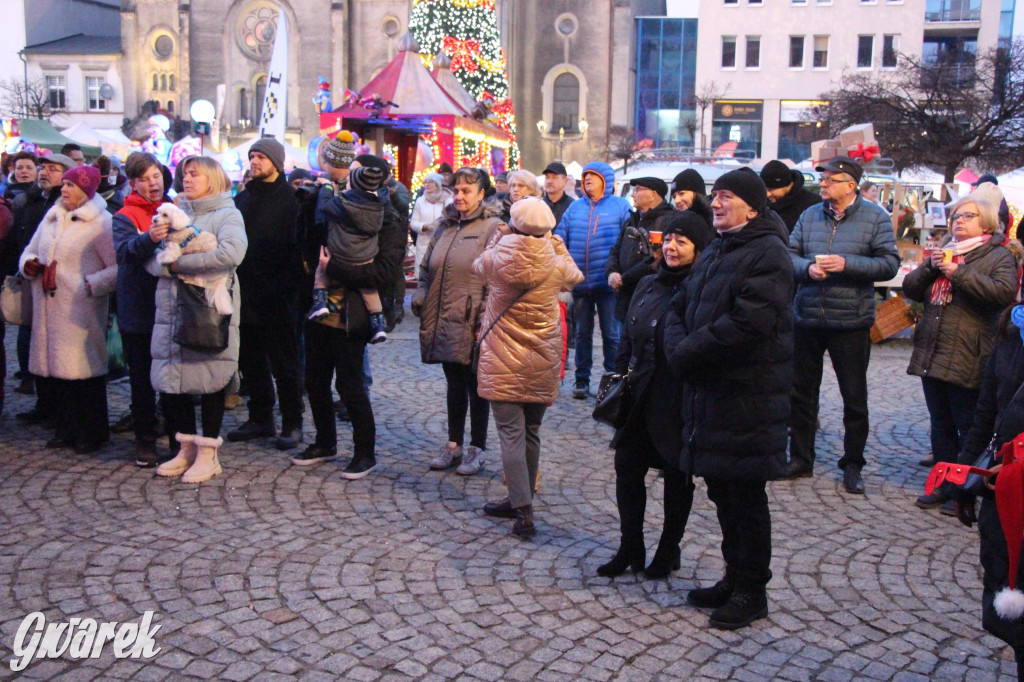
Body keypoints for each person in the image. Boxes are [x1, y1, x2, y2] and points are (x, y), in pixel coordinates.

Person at [665, 167, 794, 630]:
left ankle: (751, 590)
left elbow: (748, 324)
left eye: (726, 197)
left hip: (747, 397)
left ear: (753, 207)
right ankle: (732, 575)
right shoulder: (721, 246)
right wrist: (679, 345)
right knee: (722, 490)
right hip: (711, 394)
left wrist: (688, 352)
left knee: (744, 496)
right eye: (714, 196)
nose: (715, 203)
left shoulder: (769, 253)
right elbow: (681, 303)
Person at [598, 211, 711, 579]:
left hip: (675, 395)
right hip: (639, 391)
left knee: (676, 476)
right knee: (626, 468)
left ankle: (669, 548)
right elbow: (626, 336)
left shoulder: (700, 288)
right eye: (670, 240)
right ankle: (631, 544)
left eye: (683, 241)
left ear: (699, 247)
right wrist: (618, 375)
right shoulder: (648, 282)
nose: (673, 247)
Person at [786, 156, 899, 494]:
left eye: (829, 180)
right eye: (822, 179)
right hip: (807, 316)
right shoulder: (809, 216)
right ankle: (800, 459)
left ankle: (853, 464)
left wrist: (846, 264)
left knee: (854, 397)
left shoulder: (875, 217)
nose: (822, 184)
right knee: (802, 394)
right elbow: (788, 255)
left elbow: (889, 264)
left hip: (850, 320)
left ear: (850, 184)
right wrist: (807, 268)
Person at [903, 192, 1018, 511]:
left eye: (967, 216)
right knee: (940, 423)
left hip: (970, 353)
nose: (959, 222)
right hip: (933, 352)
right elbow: (912, 289)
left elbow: (1002, 293)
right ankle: (942, 482)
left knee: (969, 425)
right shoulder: (945, 252)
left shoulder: (999, 255)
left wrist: (958, 273)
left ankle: (963, 490)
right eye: (956, 217)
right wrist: (931, 267)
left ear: (986, 222)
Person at [476, 197, 582, 538]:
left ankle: (521, 509)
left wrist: (501, 237)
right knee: (532, 431)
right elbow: (575, 276)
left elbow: (478, 265)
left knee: (511, 434)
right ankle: (523, 498)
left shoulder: (497, 256)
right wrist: (556, 244)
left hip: (502, 356)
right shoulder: (555, 261)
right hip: (541, 356)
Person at [294, 154, 404, 478]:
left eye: (354, 174)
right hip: (320, 310)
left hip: (354, 313)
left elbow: (381, 273)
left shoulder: (389, 219)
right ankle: (325, 443)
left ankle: (364, 453)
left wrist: (335, 268)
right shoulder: (338, 205)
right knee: (315, 381)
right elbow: (310, 240)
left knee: (351, 386)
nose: (347, 179)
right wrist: (316, 195)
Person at [149, 156, 248, 483]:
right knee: (174, 381)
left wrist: (179, 267)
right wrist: (164, 263)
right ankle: (185, 449)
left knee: (210, 378)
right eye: (185, 174)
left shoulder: (227, 214)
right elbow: (155, 262)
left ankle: (208, 453)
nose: (187, 179)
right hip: (172, 311)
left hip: (208, 309)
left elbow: (230, 254)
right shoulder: (175, 211)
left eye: (195, 174)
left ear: (213, 179)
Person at [948, 305, 1024, 678]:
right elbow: (987, 413)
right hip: (1004, 496)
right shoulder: (1013, 330)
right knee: (1005, 608)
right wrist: (966, 479)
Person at [20, 165, 117, 454]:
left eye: (70, 185)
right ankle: (66, 428)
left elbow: (117, 267)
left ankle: (93, 432)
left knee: (84, 374)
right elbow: (29, 249)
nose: (63, 190)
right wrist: (28, 264)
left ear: (86, 190)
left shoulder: (102, 223)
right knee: (58, 374)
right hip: (49, 307)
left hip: (80, 310)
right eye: (63, 184)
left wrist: (91, 285)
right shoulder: (52, 216)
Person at [412, 167, 501, 475]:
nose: (460, 196)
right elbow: (426, 267)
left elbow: (496, 279)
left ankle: (477, 448)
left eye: (467, 190)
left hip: (472, 318)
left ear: (481, 194)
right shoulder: (445, 225)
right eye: (456, 190)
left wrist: (484, 320)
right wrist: (421, 295)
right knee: (453, 383)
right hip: (444, 314)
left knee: (476, 385)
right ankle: (453, 444)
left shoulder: (493, 227)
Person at [228, 138, 307, 450]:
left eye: (261, 156)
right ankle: (261, 417)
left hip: (281, 296)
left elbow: (299, 248)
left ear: (276, 161)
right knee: (251, 360)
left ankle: (292, 422)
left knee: (285, 364)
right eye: (252, 156)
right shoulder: (243, 199)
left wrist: (289, 287)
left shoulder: (293, 200)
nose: (255, 161)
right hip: (247, 293)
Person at [111, 152, 171, 467]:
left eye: (156, 176)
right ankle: (145, 441)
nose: (153, 183)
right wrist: (148, 238)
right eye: (145, 179)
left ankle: (177, 438)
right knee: (142, 381)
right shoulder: (124, 215)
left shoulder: (173, 207)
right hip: (139, 311)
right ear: (134, 183)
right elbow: (124, 253)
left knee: (173, 379)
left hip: (171, 309)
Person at [554, 161, 631, 399]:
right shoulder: (575, 208)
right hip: (580, 282)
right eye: (585, 176)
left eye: (593, 177)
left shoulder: (620, 206)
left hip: (607, 283)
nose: (587, 180)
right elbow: (560, 236)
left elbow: (626, 241)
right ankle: (581, 381)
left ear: (605, 180)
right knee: (582, 334)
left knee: (611, 334)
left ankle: (611, 381)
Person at [7, 153, 76, 406]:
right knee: (33, 340)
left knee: (54, 348)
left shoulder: (68, 206)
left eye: (53, 169)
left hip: (59, 289)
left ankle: (54, 406)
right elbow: (23, 243)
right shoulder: (30, 202)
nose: (44, 173)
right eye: (43, 168)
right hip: (31, 279)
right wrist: (25, 263)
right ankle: (42, 401)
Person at [306, 165, 390, 344]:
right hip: (365, 258)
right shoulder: (379, 207)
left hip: (340, 253)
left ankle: (320, 304)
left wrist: (328, 187)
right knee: (369, 290)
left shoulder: (344, 203)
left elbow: (325, 206)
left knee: (322, 270)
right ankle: (378, 324)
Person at [607, 177, 674, 323]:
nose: (632, 194)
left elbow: (655, 260)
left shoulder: (667, 222)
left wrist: (624, 279)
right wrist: (612, 272)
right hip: (624, 297)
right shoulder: (631, 220)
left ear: (653, 195)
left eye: (637, 190)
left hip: (648, 299)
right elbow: (615, 249)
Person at [760, 160, 821, 233]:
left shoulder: (813, 204)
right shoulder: (762, 203)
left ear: (786, 185)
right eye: (765, 189)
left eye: (771, 189)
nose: (768, 194)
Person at [409, 172, 451, 276]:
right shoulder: (420, 201)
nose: (427, 185)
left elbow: (452, 220)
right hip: (424, 243)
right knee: (423, 278)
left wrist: (440, 225)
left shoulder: (448, 200)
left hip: (441, 242)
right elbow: (413, 222)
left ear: (437, 184)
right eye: (425, 182)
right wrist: (424, 226)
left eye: (431, 182)